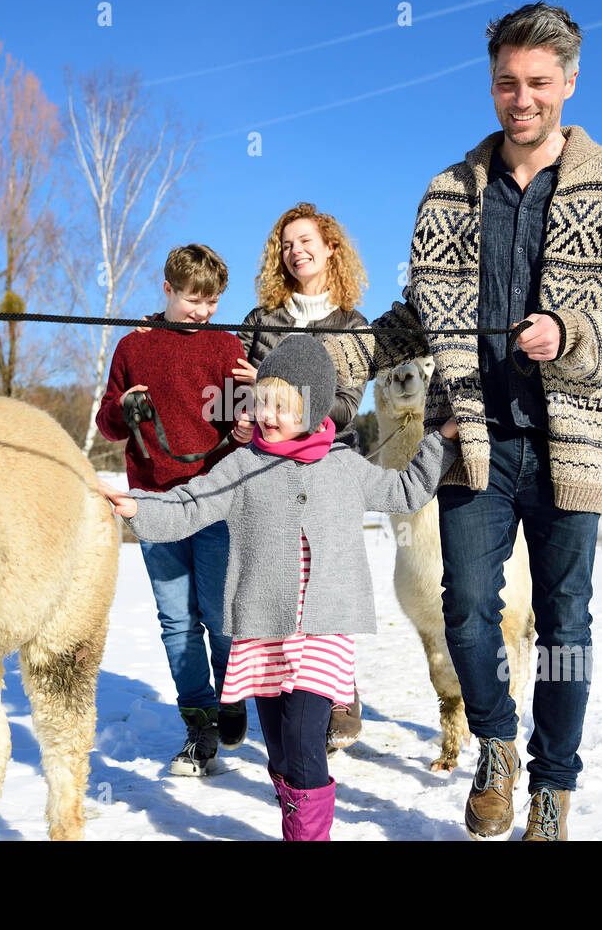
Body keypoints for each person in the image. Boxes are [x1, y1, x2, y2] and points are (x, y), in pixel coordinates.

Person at [321, 2, 602, 841]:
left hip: (570, 444)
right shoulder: (448, 194)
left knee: (564, 625)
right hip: (470, 441)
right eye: (509, 83)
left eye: (540, 83)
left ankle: (552, 789)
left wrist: (576, 335)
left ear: (569, 82)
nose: (523, 99)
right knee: (467, 605)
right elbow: (414, 318)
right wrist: (318, 365)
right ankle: (496, 748)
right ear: (491, 84)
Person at [98, 335, 460, 839]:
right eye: (260, 401)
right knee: (281, 747)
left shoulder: (344, 465)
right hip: (262, 631)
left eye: (280, 405)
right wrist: (140, 507)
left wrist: (440, 440)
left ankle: (308, 834)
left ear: (312, 408)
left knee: (301, 735)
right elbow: (190, 503)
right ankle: (295, 808)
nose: (264, 414)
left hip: (323, 629)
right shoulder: (242, 466)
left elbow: (405, 490)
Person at [95, 244, 254, 776]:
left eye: (211, 302)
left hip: (213, 502)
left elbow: (242, 424)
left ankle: (231, 696)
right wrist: (121, 409)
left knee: (221, 614)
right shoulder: (133, 348)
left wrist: (246, 421)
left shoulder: (225, 346)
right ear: (166, 290)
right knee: (176, 620)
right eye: (193, 300)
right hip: (153, 502)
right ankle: (199, 722)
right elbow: (106, 423)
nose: (202, 312)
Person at [233, 202, 371, 750]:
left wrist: (292, 409)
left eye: (307, 240)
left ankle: (339, 687)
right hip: (267, 472)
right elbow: (233, 392)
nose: (297, 251)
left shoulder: (353, 325)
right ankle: (279, 684)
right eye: (287, 243)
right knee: (278, 580)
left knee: (328, 576)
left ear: (331, 247)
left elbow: (347, 403)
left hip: (331, 467)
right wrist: (246, 409)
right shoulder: (259, 321)